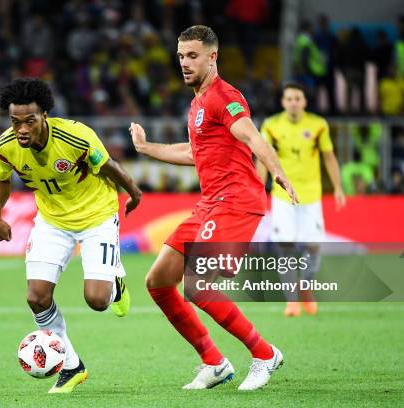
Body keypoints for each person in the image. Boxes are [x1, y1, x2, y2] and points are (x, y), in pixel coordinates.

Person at [130, 25, 297, 391]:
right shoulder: (197, 104)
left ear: (212, 57)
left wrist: (279, 173)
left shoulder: (225, 96)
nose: (185, 63)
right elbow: (194, 153)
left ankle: (265, 354)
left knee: (199, 283)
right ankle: (214, 362)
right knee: (158, 282)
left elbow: (252, 135)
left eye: (192, 56)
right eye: (181, 57)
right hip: (209, 204)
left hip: (236, 202)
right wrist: (146, 149)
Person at [0, 78, 141, 393]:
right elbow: (1, 178)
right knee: (36, 297)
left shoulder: (75, 136)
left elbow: (108, 165)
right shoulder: (6, 146)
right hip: (52, 221)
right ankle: (71, 367)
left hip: (96, 216)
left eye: (30, 120)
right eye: (15, 122)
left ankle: (116, 282)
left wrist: (134, 192)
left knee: (97, 300)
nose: (22, 129)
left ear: (44, 114)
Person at [256, 82, 346, 317]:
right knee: (284, 246)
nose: (293, 102)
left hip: (311, 196)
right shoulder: (272, 126)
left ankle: (305, 287)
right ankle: (291, 300)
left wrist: (338, 187)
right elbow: (264, 158)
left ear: (304, 102)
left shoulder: (318, 125)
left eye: (298, 98)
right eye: (289, 98)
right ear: (283, 102)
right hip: (283, 196)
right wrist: (257, 189)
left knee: (313, 246)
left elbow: (329, 157)